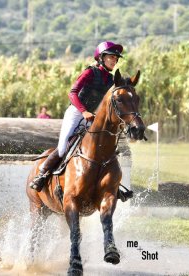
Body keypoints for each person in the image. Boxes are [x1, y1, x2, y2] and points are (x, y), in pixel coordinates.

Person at [29, 41, 132, 201]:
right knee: (64, 146)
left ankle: (113, 186)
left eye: (116, 58)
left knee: (101, 146)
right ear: (101, 58)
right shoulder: (90, 72)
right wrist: (83, 111)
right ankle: (42, 174)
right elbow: (72, 93)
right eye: (111, 57)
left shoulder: (111, 80)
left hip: (92, 116)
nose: (114, 61)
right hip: (76, 112)